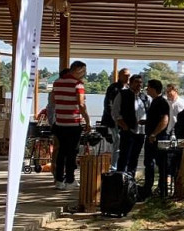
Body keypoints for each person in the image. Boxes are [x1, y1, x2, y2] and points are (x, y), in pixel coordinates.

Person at [49, 60, 90, 190]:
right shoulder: (78, 85)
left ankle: (59, 180)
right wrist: (87, 121)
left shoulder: (57, 82)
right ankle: (70, 180)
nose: (84, 73)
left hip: (60, 122)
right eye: (83, 71)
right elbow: (81, 105)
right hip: (73, 123)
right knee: (72, 152)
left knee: (61, 152)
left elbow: (54, 100)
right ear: (77, 69)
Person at [140, 79, 171, 199]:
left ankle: (162, 189)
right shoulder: (154, 101)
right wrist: (146, 122)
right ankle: (148, 188)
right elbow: (156, 119)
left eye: (148, 87)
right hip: (151, 136)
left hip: (158, 138)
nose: (146, 89)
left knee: (160, 164)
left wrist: (154, 134)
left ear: (153, 89)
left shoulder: (162, 102)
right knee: (149, 163)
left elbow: (164, 120)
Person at [116, 74, 145, 176]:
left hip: (141, 132)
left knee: (135, 157)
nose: (139, 84)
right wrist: (124, 126)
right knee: (124, 156)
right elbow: (115, 112)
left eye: (140, 82)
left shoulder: (144, 97)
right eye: (136, 82)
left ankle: (131, 178)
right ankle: (120, 177)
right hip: (128, 131)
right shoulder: (123, 95)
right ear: (131, 83)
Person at [100, 68, 129, 159]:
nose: (127, 77)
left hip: (124, 121)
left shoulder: (128, 89)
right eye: (125, 75)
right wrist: (114, 118)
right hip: (113, 121)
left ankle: (122, 163)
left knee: (123, 143)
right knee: (117, 141)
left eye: (129, 75)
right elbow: (108, 105)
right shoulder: (113, 88)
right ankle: (114, 165)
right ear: (119, 76)